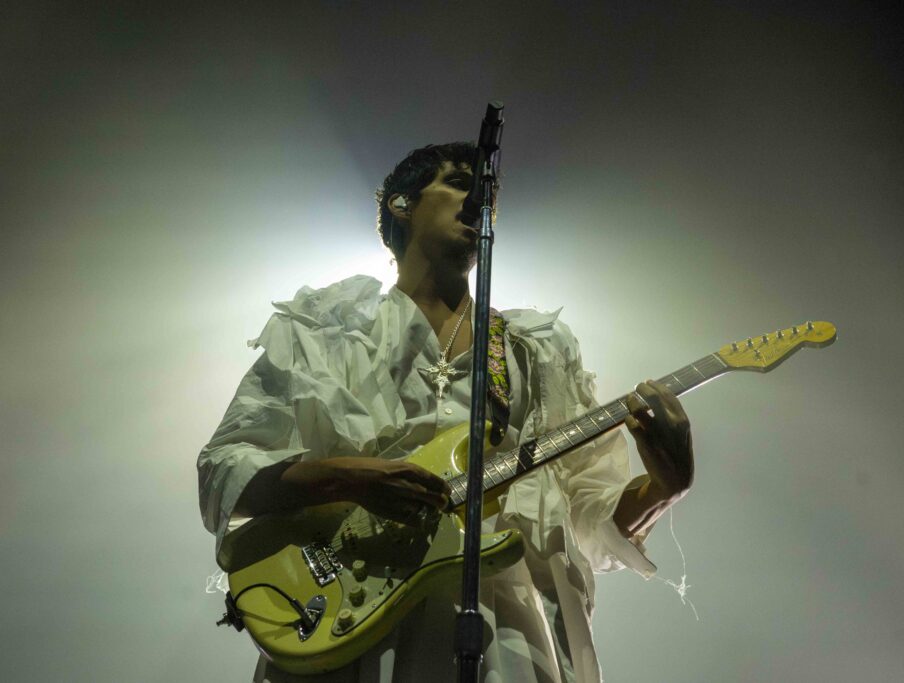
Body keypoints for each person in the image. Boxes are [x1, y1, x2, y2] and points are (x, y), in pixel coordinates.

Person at [197, 142, 695, 682]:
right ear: (400, 204)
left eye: (490, 195)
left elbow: (588, 521)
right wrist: (346, 477)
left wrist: (664, 487)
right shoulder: (322, 331)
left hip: (506, 633)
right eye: (460, 182)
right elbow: (224, 471)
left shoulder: (535, 350)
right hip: (345, 623)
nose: (480, 200)